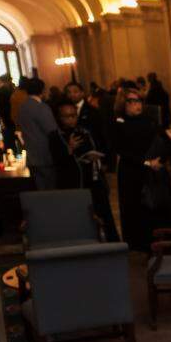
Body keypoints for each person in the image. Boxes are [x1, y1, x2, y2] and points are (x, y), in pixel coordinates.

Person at [49, 100, 119, 242]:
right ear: (59, 118)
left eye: (73, 116)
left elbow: (97, 147)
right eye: (66, 116)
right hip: (71, 182)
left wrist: (95, 158)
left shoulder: (85, 131)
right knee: (77, 217)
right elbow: (57, 161)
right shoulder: (55, 135)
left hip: (92, 179)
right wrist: (69, 148)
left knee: (102, 213)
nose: (71, 119)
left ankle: (109, 244)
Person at [113, 88, 171, 252]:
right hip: (131, 171)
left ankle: (159, 243)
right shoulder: (119, 122)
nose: (135, 105)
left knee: (154, 208)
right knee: (134, 208)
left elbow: (161, 139)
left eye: (138, 101)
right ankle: (139, 244)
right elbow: (121, 149)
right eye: (131, 101)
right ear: (123, 104)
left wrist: (159, 160)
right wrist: (146, 162)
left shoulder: (149, 120)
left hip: (152, 171)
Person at [14, 78, 59, 190]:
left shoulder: (22, 107)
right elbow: (52, 130)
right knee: (50, 190)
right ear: (43, 90)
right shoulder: (41, 107)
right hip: (45, 155)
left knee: (39, 189)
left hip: (31, 156)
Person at [65, 81, 110, 158]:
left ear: (82, 93)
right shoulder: (65, 111)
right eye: (69, 92)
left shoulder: (92, 111)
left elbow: (101, 134)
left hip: (93, 153)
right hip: (75, 154)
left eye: (75, 92)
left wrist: (104, 156)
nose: (71, 95)